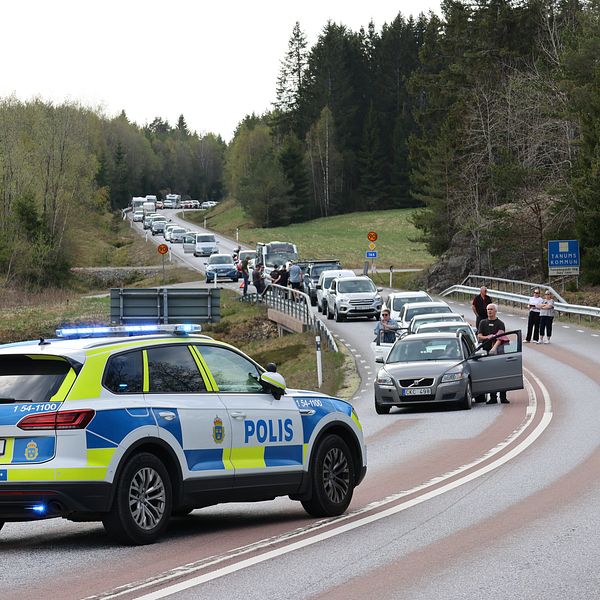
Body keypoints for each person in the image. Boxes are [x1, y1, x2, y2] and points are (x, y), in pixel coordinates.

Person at [477, 303, 510, 404]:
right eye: (488, 309)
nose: (489, 311)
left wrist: (494, 348)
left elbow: (501, 338)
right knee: (490, 375)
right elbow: (479, 336)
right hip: (486, 351)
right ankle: (493, 397)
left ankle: (503, 397)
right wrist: (488, 337)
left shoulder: (500, 323)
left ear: (495, 311)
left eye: (491, 309)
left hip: (499, 352)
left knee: (501, 374)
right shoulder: (482, 322)